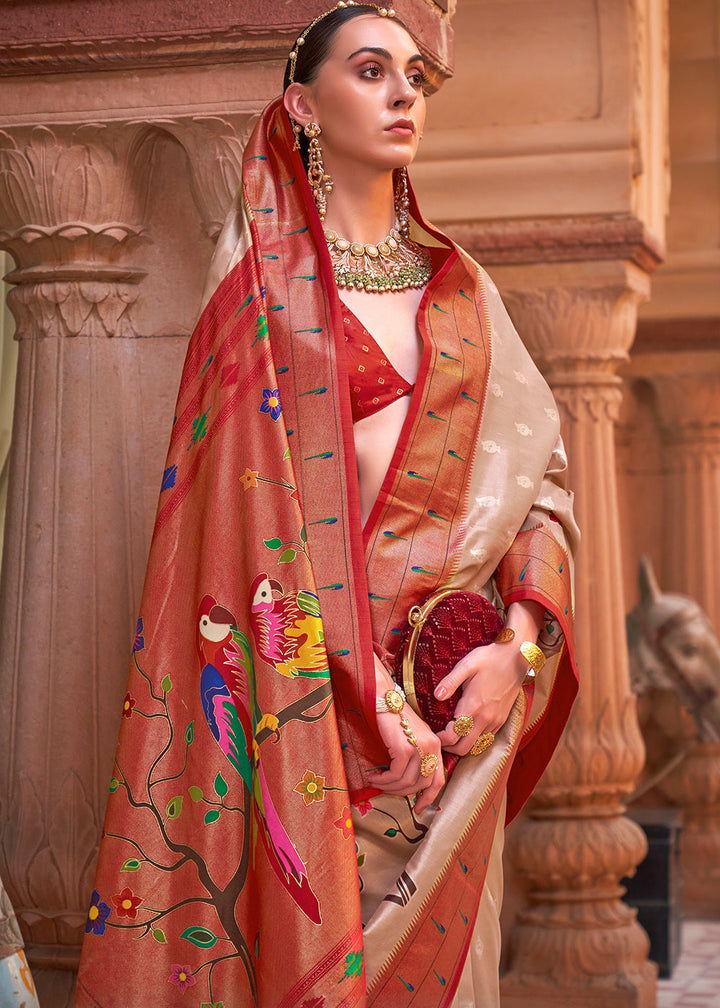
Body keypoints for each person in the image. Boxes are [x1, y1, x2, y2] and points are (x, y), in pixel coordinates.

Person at [75, 4, 578, 1006]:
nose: (402, 93)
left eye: (414, 77)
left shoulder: (464, 295)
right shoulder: (257, 296)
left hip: (458, 717)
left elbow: (543, 494)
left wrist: (516, 649)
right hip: (307, 718)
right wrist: (363, 691)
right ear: (302, 104)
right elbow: (240, 534)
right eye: (369, 70)